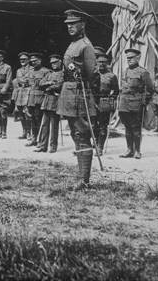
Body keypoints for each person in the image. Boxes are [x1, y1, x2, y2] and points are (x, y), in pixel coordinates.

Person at [56, 10, 99, 190]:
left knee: (82, 134)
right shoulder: (73, 45)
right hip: (69, 93)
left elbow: (91, 75)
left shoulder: (85, 46)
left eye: (74, 23)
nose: (70, 26)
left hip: (80, 95)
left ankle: (84, 180)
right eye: (68, 24)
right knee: (75, 134)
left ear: (83, 24)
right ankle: (82, 177)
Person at [118, 48, 153, 159]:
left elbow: (150, 89)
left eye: (131, 58)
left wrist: (144, 102)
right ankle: (129, 150)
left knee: (136, 128)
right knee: (127, 127)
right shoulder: (125, 72)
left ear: (138, 58)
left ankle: (137, 151)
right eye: (128, 58)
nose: (129, 60)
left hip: (136, 103)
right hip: (124, 103)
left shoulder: (143, 72)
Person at [35, 54, 64, 153]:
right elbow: (40, 84)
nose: (53, 65)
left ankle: (53, 146)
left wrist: (48, 86)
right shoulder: (49, 74)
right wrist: (49, 83)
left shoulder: (62, 73)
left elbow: (59, 85)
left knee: (54, 125)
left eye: (55, 62)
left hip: (55, 100)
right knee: (44, 124)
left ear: (60, 62)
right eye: (52, 63)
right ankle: (43, 146)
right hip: (46, 100)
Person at [94, 52, 119, 155]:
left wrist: (111, 101)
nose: (101, 64)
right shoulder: (93, 74)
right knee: (93, 125)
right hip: (92, 101)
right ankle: (94, 144)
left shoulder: (111, 76)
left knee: (103, 126)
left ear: (107, 63)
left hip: (104, 101)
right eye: (99, 62)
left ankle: (100, 147)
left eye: (104, 62)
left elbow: (116, 91)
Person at [25, 53, 49, 147]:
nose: (33, 62)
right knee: (32, 119)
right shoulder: (30, 71)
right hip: (31, 97)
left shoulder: (45, 71)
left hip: (40, 97)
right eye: (32, 61)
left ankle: (40, 140)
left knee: (39, 119)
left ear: (40, 60)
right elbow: (27, 83)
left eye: (35, 61)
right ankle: (34, 138)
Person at [13, 52, 32, 139]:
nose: (22, 61)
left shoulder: (32, 69)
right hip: (20, 93)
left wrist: (24, 81)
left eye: (24, 59)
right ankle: (24, 132)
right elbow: (17, 81)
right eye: (21, 59)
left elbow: (31, 81)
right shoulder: (18, 71)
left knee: (27, 114)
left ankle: (29, 133)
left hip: (28, 92)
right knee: (21, 114)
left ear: (28, 60)